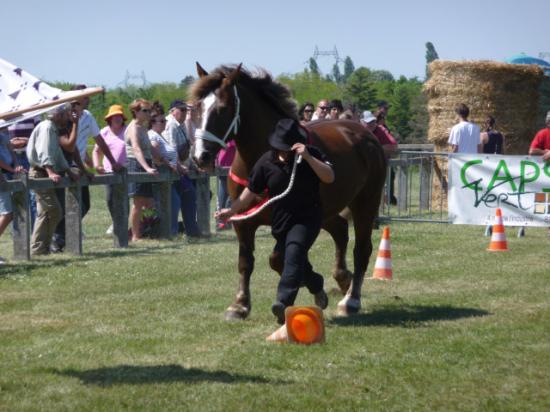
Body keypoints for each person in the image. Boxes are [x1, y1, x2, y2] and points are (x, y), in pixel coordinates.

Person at [216, 119, 334, 324]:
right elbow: (250, 191)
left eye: (289, 148)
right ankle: (316, 284)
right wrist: (231, 210)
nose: (284, 152)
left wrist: (307, 157)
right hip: (281, 221)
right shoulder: (266, 161)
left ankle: (283, 302)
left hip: (307, 217)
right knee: (282, 259)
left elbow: (329, 177)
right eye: (281, 147)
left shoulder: (312, 155)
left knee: (295, 250)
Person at [26, 104, 80, 255]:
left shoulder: (52, 128)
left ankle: (41, 248)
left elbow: (57, 154)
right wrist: (50, 171)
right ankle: (39, 248)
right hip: (40, 173)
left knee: (47, 212)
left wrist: (69, 171)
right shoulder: (47, 128)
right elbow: (45, 151)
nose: (69, 117)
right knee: (53, 211)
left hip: (43, 172)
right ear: (58, 114)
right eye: (67, 114)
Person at [147, 101, 187, 236]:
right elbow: (154, 152)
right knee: (171, 204)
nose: (165, 122)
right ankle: (169, 232)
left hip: (168, 177)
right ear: (153, 122)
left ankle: (171, 232)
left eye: (164, 120)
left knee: (174, 203)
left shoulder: (161, 135)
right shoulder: (153, 135)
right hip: (161, 177)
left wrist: (179, 166)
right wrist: (166, 163)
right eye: (161, 121)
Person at [164, 99, 201, 238]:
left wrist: (193, 165)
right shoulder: (171, 125)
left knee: (189, 195)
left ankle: (191, 231)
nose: (185, 113)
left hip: (180, 169)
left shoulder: (181, 125)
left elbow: (188, 148)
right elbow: (171, 150)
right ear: (172, 111)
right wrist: (180, 167)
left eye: (186, 110)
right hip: (172, 170)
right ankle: (175, 232)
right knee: (178, 200)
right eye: (182, 110)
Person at [125, 99, 158, 241]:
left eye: (149, 110)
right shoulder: (133, 128)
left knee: (150, 203)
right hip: (136, 164)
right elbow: (136, 149)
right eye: (145, 110)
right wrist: (147, 168)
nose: (148, 113)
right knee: (138, 204)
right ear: (135, 112)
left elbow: (150, 149)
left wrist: (166, 162)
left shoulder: (143, 127)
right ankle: (135, 236)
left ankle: (142, 230)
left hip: (146, 163)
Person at [92, 105, 128, 234]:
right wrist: (97, 165)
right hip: (108, 171)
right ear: (110, 119)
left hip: (125, 170)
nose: (117, 118)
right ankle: (115, 222)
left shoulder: (127, 131)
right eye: (114, 116)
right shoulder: (104, 132)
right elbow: (96, 151)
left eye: (119, 116)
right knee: (110, 199)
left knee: (123, 198)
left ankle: (122, 224)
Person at [0, 127, 26, 264]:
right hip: (2, 174)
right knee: (7, 213)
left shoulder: (4, 125)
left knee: (9, 213)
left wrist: (16, 165)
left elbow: (10, 148)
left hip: (8, 173)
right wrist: (10, 169)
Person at [8, 115, 40, 226]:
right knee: (15, 195)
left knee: (33, 195)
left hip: (29, 155)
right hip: (10, 158)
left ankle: (35, 233)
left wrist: (26, 141)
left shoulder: (34, 112)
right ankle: (18, 233)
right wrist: (10, 143)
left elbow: (39, 133)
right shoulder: (4, 109)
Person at [215, 139, 236, 230]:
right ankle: (221, 221)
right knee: (224, 195)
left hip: (233, 168)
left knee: (230, 196)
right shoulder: (224, 136)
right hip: (223, 167)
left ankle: (225, 220)